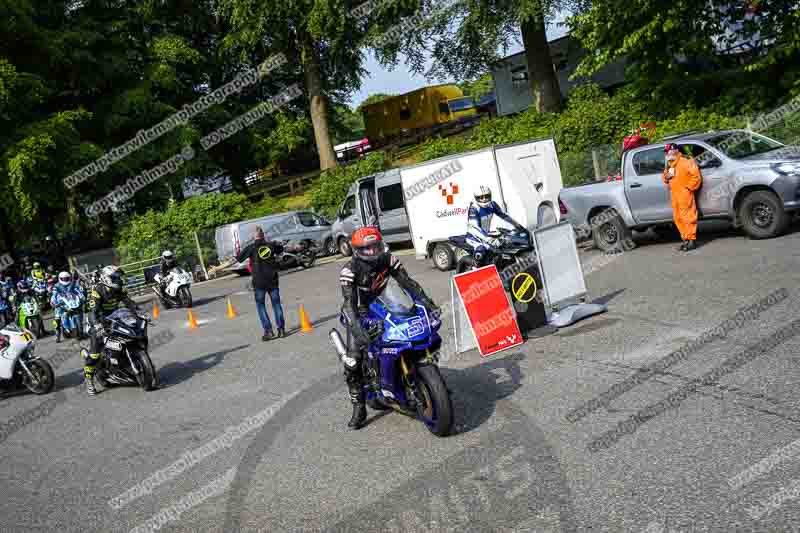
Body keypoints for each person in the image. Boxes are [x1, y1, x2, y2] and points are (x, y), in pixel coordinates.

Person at [338, 227, 440, 430]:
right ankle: (359, 407)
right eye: (367, 249)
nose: (372, 252)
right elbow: (348, 303)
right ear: (357, 250)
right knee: (352, 361)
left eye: (375, 246)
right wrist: (359, 330)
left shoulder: (389, 259)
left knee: (415, 334)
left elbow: (408, 283)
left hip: (387, 304)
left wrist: (428, 304)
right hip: (360, 312)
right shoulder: (349, 271)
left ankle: (432, 383)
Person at [84, 266, 141, 396]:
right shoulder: (97, 290)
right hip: (97, 321)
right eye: (115, 277)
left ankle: (129, 362)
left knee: (133, 333)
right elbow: (93, 313)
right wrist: (97, 326)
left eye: (118, 277)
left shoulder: (117, 289)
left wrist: (138, 311)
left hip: (115, 317)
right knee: (94, 354)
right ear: (106, 278)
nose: (118, 279)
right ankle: (89, 380)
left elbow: (128, 301)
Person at [235, 227, 286, 341]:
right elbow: (280, 249)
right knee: (276, 304)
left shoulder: (250, 248)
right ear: (263, 234)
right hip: (272, 280)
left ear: (253, 236)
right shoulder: (270, 245)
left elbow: (239, 259)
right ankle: (281, 330)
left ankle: (268, 331)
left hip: (259, 282)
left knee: (261, 306)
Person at [465, 185, 527, 267]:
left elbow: (504, 216)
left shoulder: (492, 204)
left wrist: (518, 225)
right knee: (481, 250)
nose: (484, 199)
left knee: (503, 245)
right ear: (476, 198)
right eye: (481, 197)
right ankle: (475, 269)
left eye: (486, 196)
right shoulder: (474, 209)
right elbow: (474, 228)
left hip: (486, 234)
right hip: (474, 236)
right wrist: (489, 239)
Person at [662, 143, 703, 252]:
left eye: (667, 151)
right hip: (674, 195)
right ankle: (686, 239)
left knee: (688, 216)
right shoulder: (669, 164)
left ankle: (692, 240)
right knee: (678, 218)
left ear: (675, 150)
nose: (666, 154)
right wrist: (667, 176)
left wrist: (688, 189)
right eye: (665, 152)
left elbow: (696, 176)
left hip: (684, 194)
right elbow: (664, 178)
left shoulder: (686, 161)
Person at [50, 271, 84, 343]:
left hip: (71, 300)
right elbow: (54, 294)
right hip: (61, 302)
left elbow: (78, 290)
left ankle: (80, 330)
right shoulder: (56, 286)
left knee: (80, 309)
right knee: (57, 318)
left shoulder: (73, 283)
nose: (65, 280)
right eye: (64, 279)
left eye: (67, 278)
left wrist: (82, 296)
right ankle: (57, 335)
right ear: (60, 279)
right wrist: (53, 301)